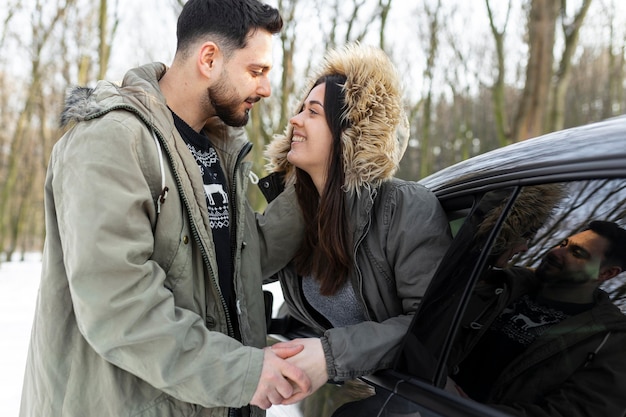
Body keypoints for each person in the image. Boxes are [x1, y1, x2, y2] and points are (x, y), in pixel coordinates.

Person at [19, 1, 312, 416]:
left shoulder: (217, 151)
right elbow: (119, 308)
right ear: (209, 58)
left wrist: (316, 180)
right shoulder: (112, 140)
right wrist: (242, 373)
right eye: (256, 71)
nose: (265, 89)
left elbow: (241, 258)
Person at [258, 43, 452, 399]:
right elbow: (243, 261)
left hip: (429, 399)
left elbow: (433, 324)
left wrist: (330, 356)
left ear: (349, 134)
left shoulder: (406, 209)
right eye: (300, 109)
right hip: (364, 391)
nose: (294, 120)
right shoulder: (297, 212)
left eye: (312, 112)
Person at [448, 220, 626, 417]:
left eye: (577, 253)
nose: (556, 252)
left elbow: (578, 411)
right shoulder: (502, 285)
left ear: (606, 273)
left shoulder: (610, 340)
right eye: (563, 244)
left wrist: (470, 411)